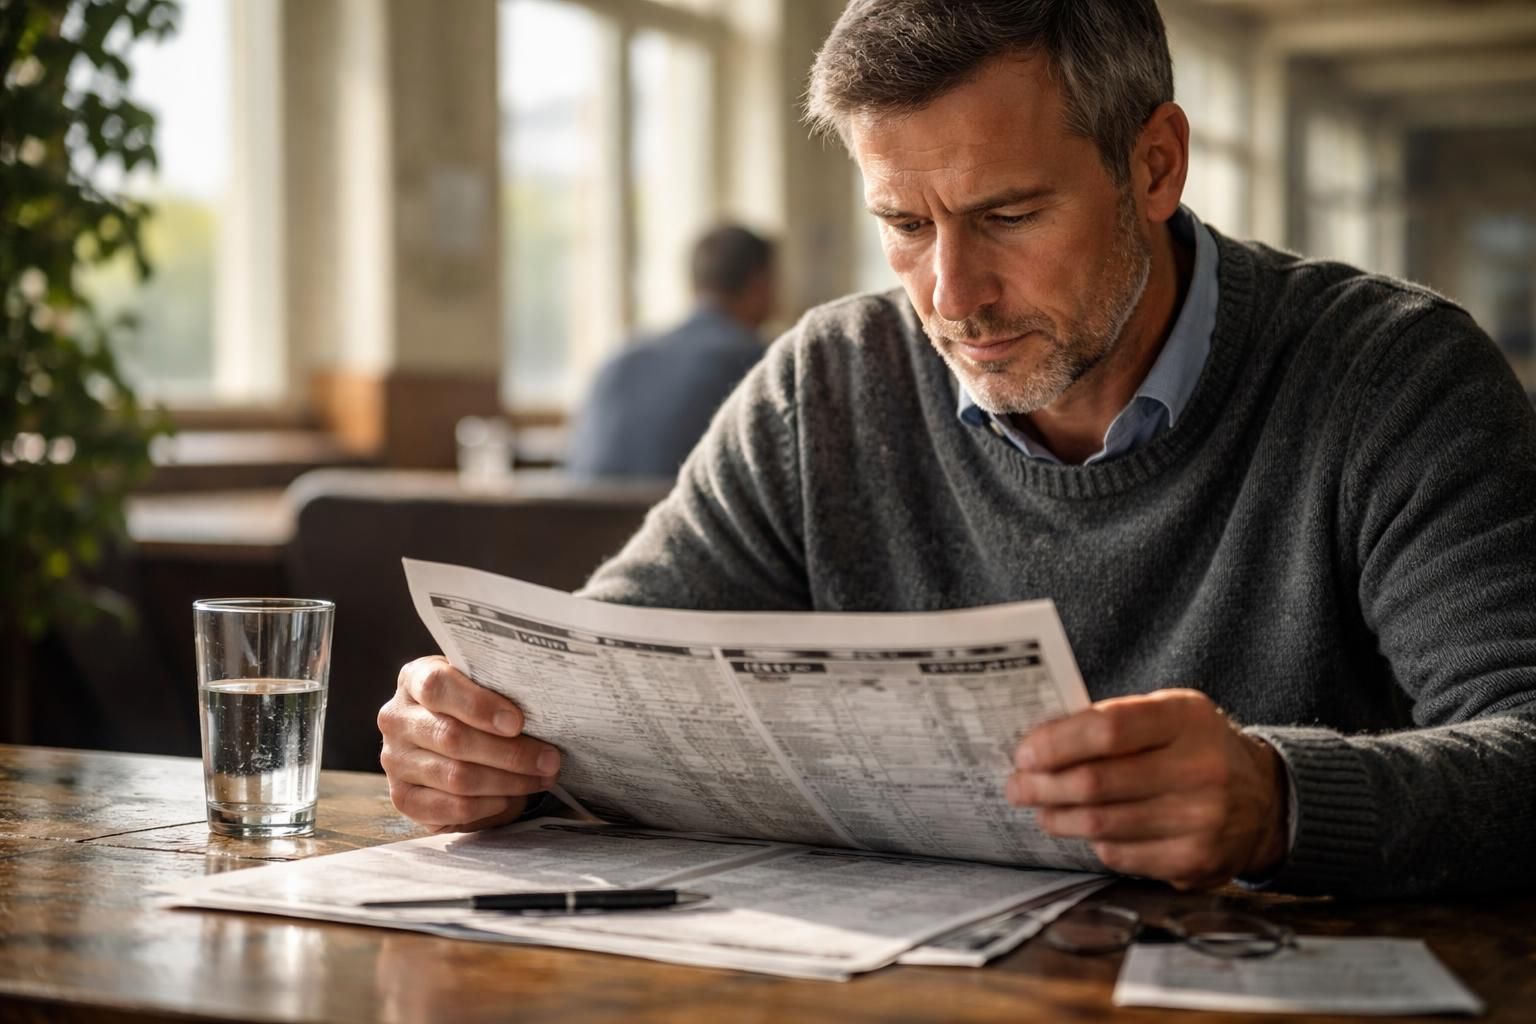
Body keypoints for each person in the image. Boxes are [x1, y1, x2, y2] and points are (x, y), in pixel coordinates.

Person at [378, 0, 1536, 898]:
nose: (952, 296)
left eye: (1009, 217)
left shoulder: (1395, 375)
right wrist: (487, 746)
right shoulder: (826, 383)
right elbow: (606, 684)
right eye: (904, 224)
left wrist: (1283, 801)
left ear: (1155, 166)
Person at [564, 225, 778, 479]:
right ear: (760, 284)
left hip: (582, 518)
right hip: (677, 517)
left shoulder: (620, 360)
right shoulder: (761, 366)